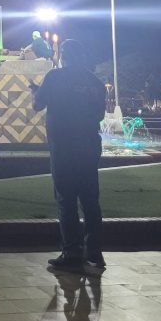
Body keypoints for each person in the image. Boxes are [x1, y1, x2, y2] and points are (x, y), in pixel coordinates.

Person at [31, 38, 106, 275]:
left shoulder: (55, 77)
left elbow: (37, 105)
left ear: (64, 56)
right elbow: (100, 115)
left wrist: (37, 92)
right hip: (89, 147)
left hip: (64, 147)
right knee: (90, 200)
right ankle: (94, 252)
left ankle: (72, 252)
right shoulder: (95, 83)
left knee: (66, 199)